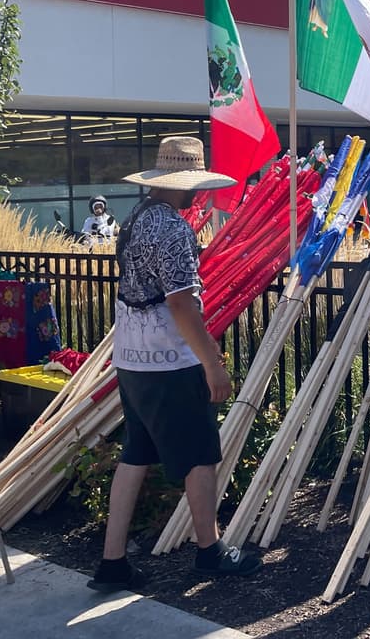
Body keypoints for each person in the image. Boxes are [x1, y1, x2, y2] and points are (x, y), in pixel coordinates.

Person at [87, 136, 258, 592]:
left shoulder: (137, 218)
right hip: (169, 360)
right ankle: (210, 551)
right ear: (187, 186)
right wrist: (213, 364)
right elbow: (182, 304)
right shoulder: (174, 229)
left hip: (132, 357)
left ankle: (112, 561)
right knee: (200, 454)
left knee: (136, 454)